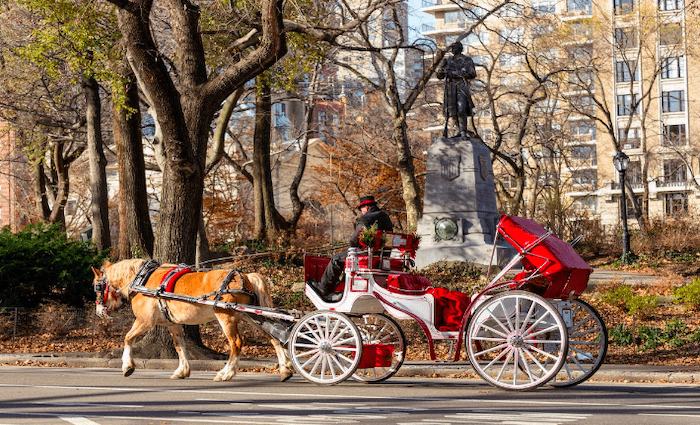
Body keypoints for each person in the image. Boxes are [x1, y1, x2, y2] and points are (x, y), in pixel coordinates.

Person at [309, 195, 394, 302]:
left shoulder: (366, 218)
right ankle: (342, 286)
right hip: (383, 256)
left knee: (336, 259)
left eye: (361, 209)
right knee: (347, 258)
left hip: (367, 255)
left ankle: (323, 288)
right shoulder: (386, 217)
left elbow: (354, 240)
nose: (361, 211)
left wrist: (354, 245)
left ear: (366, 207)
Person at [437, 41, 477, 138]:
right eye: (453, 48)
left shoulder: (467, 60)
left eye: (456, 47)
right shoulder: (447, 61)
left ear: (460, 49)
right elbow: (439, 76)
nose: (454, 49)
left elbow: (472, 74)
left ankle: (463, 130)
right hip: (451, 88)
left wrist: (458, 74)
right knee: (452, 110)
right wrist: (441, 67)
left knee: (462, 109)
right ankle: (458, 130)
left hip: (461, 86)